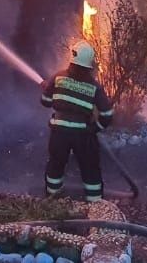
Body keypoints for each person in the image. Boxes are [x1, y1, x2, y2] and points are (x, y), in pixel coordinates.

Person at [40, 39, 114, 202]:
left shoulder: (58, 77)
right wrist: (94, 128)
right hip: (83, 135)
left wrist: (48, 89)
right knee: (90, 169)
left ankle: (53, 201)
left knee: (56, 165)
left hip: (59, 133)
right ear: (89, 65)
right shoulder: (94, 87)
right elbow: (107, 114)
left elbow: (45, 102)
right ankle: (96, 207)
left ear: (72, 60)